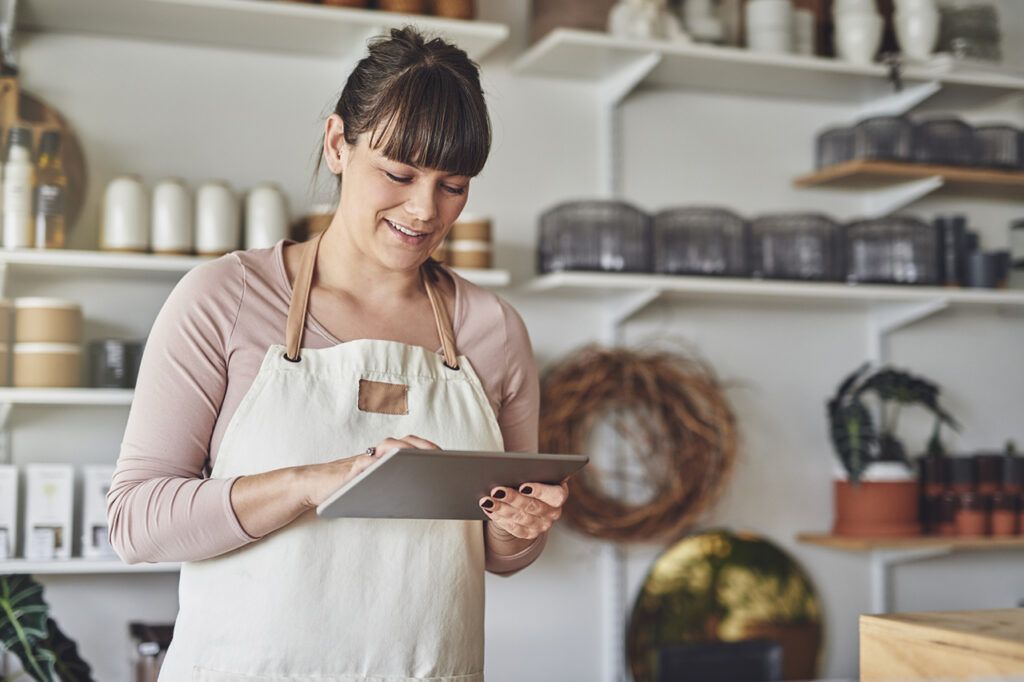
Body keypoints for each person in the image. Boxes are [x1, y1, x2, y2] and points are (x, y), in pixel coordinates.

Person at [107, 26, 569, 681]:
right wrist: (315, 482)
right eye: (399, 173)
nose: (423, 210)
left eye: (453, 185)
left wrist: (521, 527)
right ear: (336, 145)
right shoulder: (227, 298)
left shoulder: (491, 331)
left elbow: (498, 554)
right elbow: (138, 522)